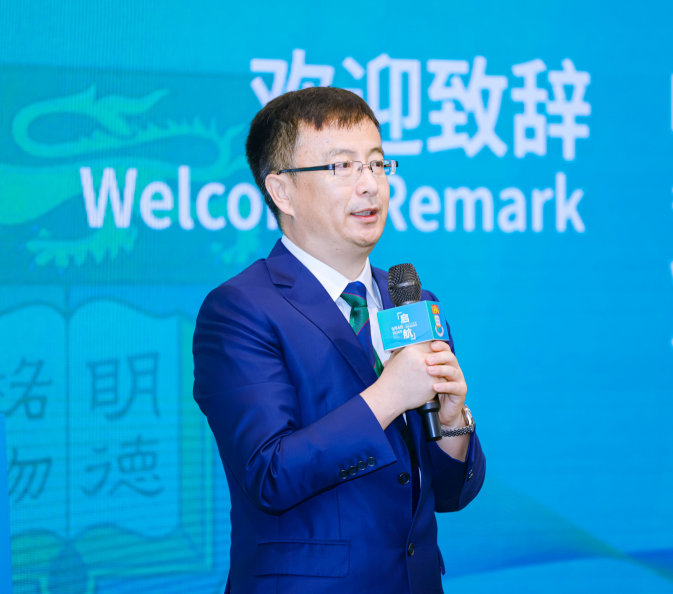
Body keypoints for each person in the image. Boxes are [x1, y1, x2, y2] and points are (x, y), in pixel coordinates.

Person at [193, 86, 485, 594]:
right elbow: (269, 474)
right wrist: (389, 396)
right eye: (342, 167)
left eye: (377, 164)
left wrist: (451, 420)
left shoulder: (412, 301)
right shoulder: (240, 309)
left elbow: (449, 494)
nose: (369, 185)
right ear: (282, 191)